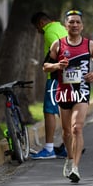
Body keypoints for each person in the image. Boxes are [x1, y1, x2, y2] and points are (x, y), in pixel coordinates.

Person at [43, 9, 93, 183]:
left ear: (82, 25)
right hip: (64, 92)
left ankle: (76, 168)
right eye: (71, 22)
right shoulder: (58, 44)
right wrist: (57, 66)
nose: (75, 25)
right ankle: (69, 158)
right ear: (66, 25)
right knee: (66, 132)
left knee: (77, 128)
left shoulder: (89, 45)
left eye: (78, 22)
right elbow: (45, 66)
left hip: (82, 90)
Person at [30, 12, 68, 159]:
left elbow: (59, 49)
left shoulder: (49, 32)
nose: (37, 31)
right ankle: (66, 146)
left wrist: (56, 65)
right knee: (65, 110)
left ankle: (49, 148)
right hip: (67, 77)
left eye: (36, 27)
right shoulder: (61, 27)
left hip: (56, 76)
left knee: (49, 110)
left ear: (40, 23)